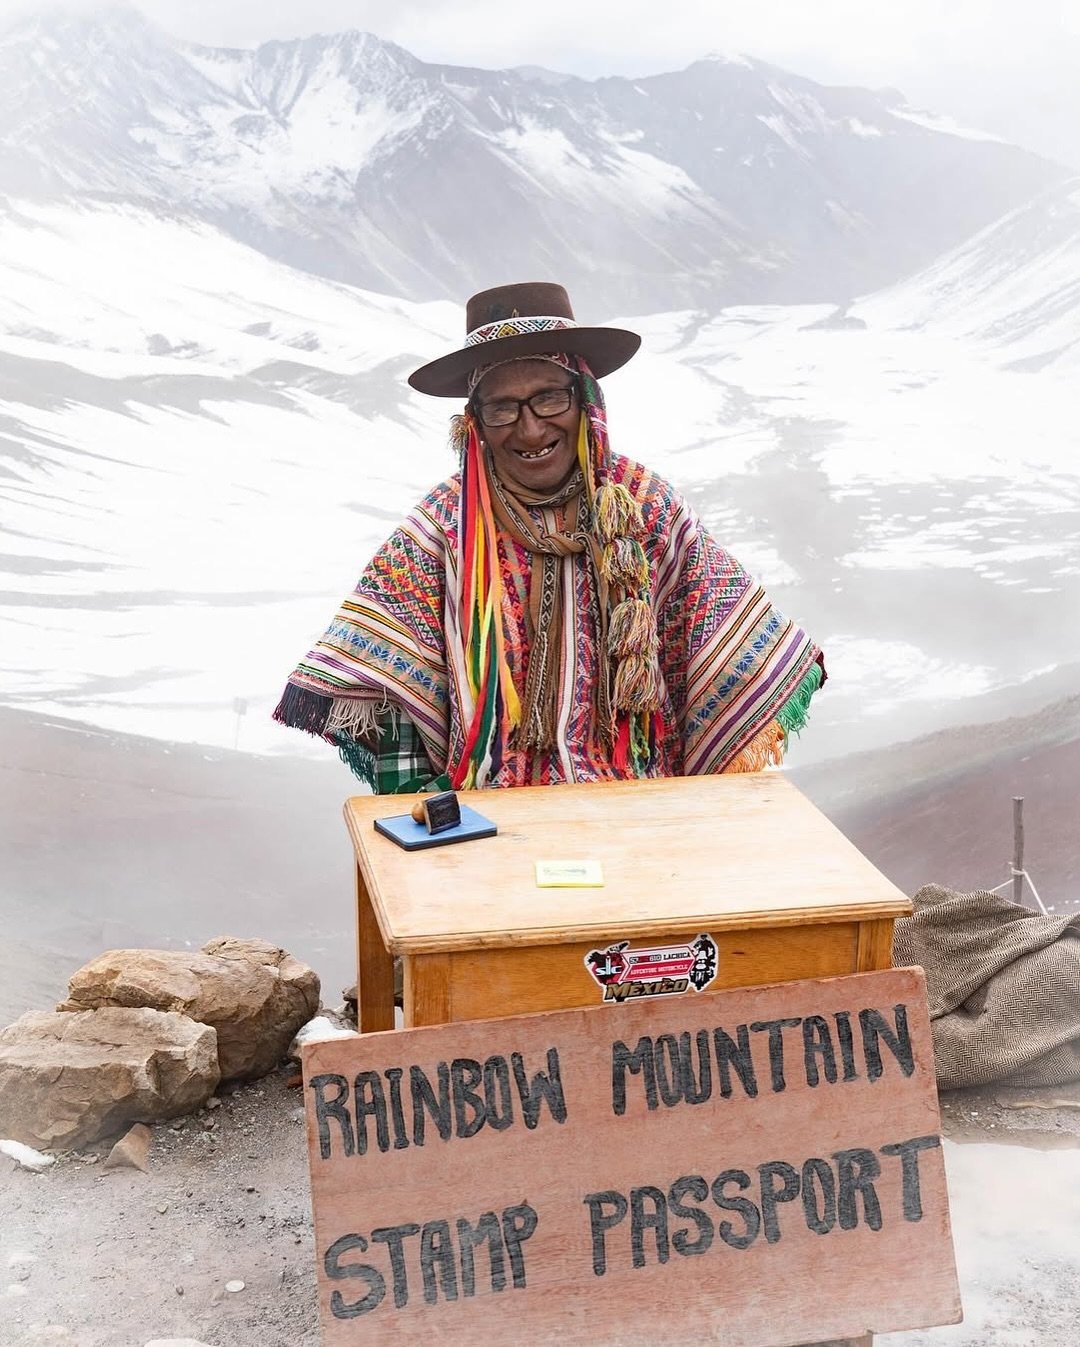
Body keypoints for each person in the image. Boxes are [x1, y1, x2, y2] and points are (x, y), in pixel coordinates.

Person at [274, 282, 825, 792]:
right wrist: (421, 806)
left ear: (584, 400)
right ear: (474, 421)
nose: (531, 427)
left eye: (549, 398)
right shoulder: (442, 527)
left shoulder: (646, 509)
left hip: (640, 812)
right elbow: (383, 683)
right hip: (488, 824)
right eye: (502, 407)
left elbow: (733, 654)